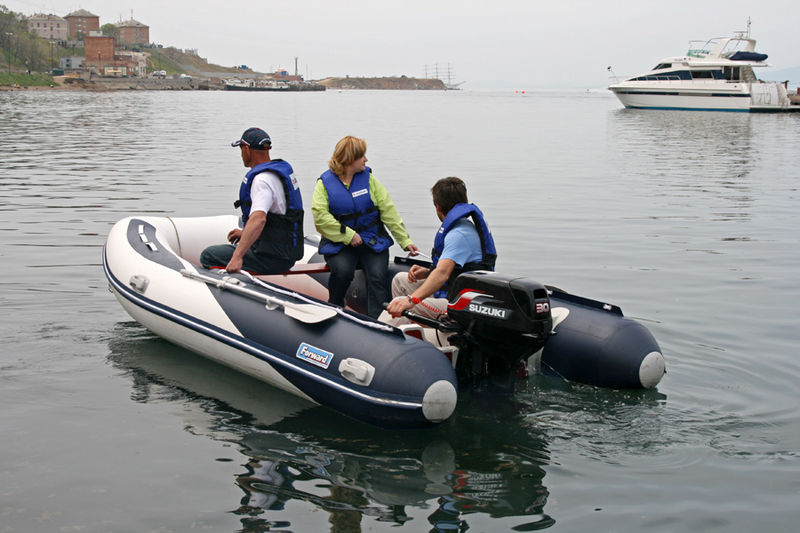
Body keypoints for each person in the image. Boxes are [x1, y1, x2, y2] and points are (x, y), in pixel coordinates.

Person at [312, 136, 419, 318]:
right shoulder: (324, 184)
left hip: (372, 239)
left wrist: (405, 240)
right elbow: (320, 218)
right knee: (343, 272)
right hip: (341, 242)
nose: (366, 159)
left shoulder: (369, 180)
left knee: (377, 276)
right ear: (349, 159)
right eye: (362, 156)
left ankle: (378, 319)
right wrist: (349, 236)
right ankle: (335, 307)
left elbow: (388, 210)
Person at [383, 176, 496, 323]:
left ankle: (403, 332)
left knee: (400, 302)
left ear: (438, 207)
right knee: (399, 280)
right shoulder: (462, 227)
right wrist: (426, 273)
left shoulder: (458, 235)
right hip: (454, 290)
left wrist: (410, 300)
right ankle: (413, 331)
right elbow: (453, 270)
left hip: (459, 303)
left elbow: (442, 274)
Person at [200, 127, 304, 274]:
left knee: (208, 255)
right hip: (285, 254)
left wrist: (238, 256)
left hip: (271, 258)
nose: (241, 154)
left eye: (241, 149)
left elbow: (259, 219)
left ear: (247, 149)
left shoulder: (261, 180)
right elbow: (276, 219)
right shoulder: (276, 175)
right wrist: (245, 234)